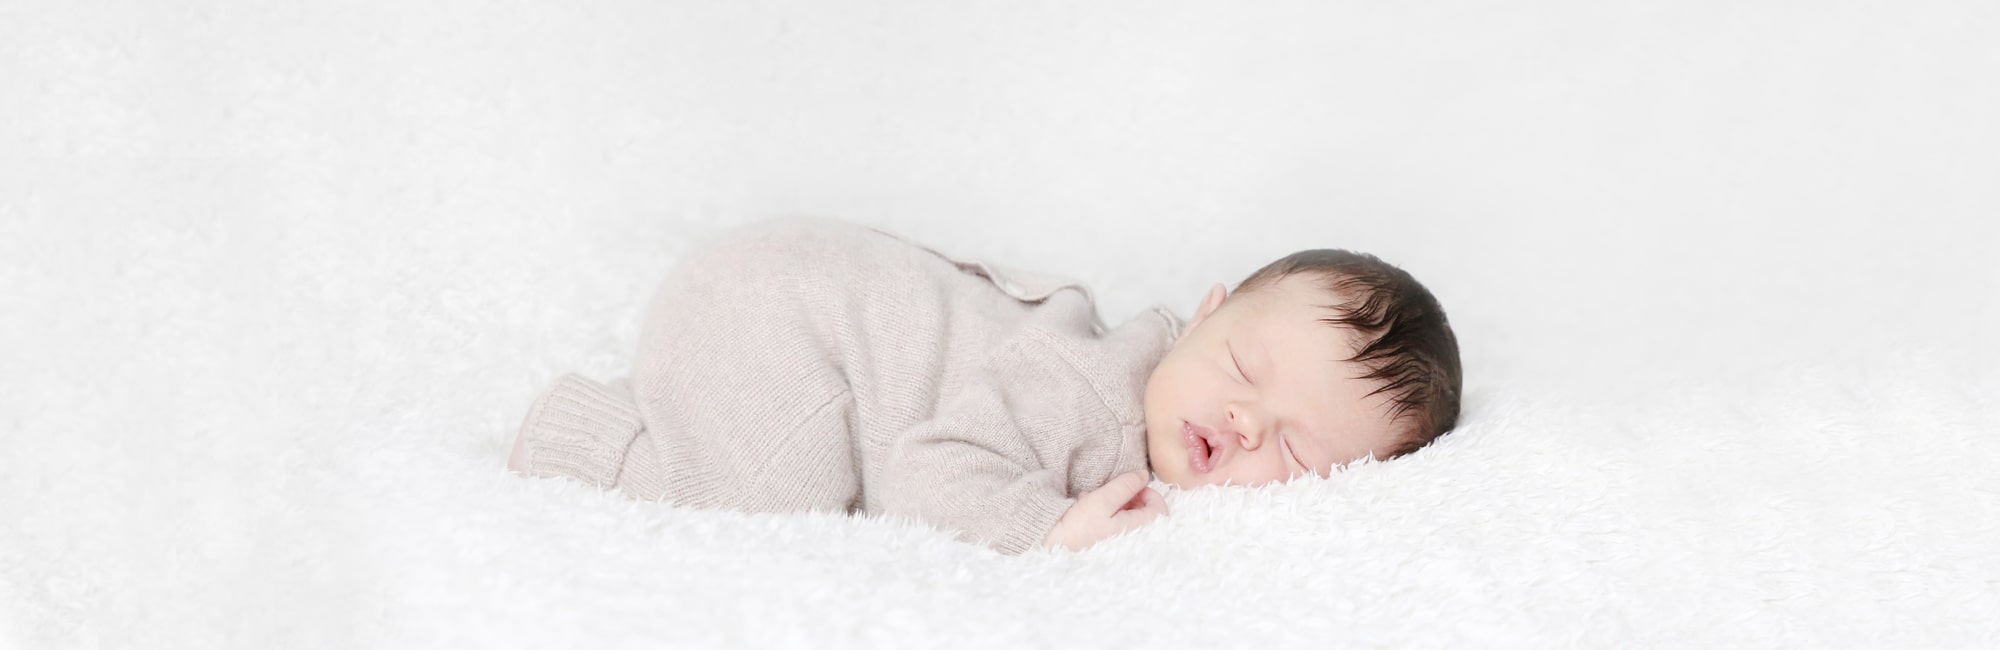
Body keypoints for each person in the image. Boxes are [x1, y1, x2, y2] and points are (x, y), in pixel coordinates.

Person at [507, 217, 1461, 553]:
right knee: (753, 511)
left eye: (1296, 449)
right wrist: (1044, 530)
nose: (1247, 422)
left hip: (813, 293)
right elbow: (933, 469)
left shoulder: (1158, 402)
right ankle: (594, 435)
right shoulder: (1091, 390)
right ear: (1204, 313)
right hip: (783, 310)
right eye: (1244, 368)